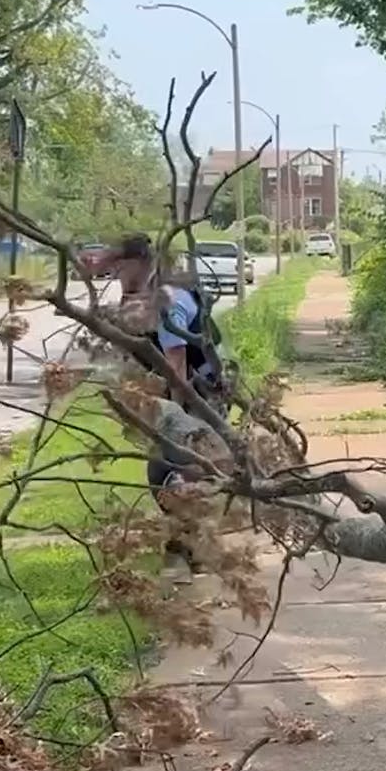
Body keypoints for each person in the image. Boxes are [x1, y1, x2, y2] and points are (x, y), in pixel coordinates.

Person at [85, 232, 227, 572]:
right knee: (172, 471)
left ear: (137, 264)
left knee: (173, 470)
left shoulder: (167, 299)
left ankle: (190, 552)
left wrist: (169, 414)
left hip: (196, 395)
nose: (116, 277)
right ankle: (190, 548)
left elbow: (175, 364)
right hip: (185, 393)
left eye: (120, 268)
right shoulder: (147, 291)